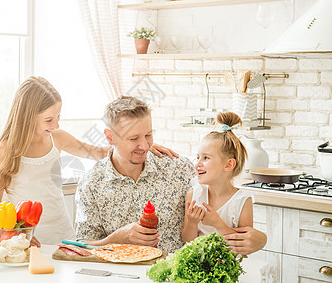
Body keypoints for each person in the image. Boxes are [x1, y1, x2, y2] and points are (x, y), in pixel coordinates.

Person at [0, 76, 177, 246]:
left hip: (60, 229)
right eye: (49, 120)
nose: (56, 124)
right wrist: (13, 233)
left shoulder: (57, 137)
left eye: (58, 117)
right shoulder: (5, 151)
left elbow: (98, 152)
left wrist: (139, 146)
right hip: (23, 235)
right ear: (27, 117)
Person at [75, 96, 267, 254]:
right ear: (110, 137)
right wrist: (116, 238)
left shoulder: (178, 169)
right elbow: (80, 246)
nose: (144, 146)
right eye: (134, 138)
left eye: (148, 135)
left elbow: (224, 186)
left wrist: (260, 239)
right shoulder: (91, 184)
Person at [181, 112, 253, 245]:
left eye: (206, 158)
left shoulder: (242, 201)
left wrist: (217, 223)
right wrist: (191, 223)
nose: (197, 164)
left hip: (228, 264)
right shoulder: (194, 194)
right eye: (198, 158)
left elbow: (243, 246)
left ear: (228, 165)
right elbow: (187, 240)